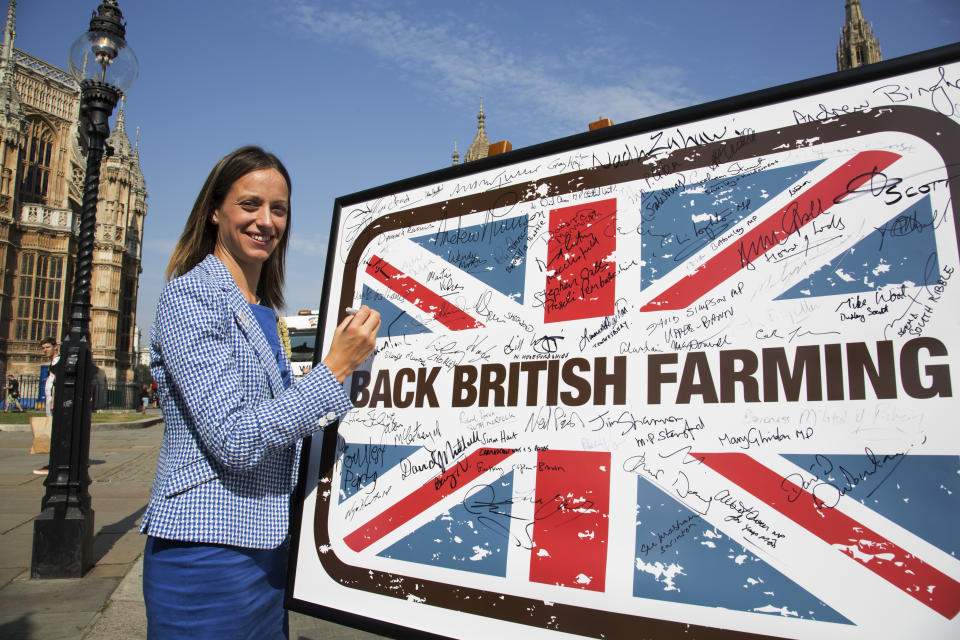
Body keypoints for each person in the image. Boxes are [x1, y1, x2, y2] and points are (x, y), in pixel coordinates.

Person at [140, 146, 379, 640]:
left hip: (271, 552)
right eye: (250, 205)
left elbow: (286, 422)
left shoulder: (265, 309)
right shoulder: (190, 296)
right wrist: (335, 367)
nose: (266, 221)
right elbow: (234, 438)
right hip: (206, 556)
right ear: (215, 210)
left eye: (279, 209)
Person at [40, 337, 59, 418]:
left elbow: (57, 383)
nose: (45, 350)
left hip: (54, 400)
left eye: (48, 347)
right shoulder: (52, 362)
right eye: (43, 348)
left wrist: (53, 402)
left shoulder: (58, 361)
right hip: (49, 399)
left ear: (55, 347)